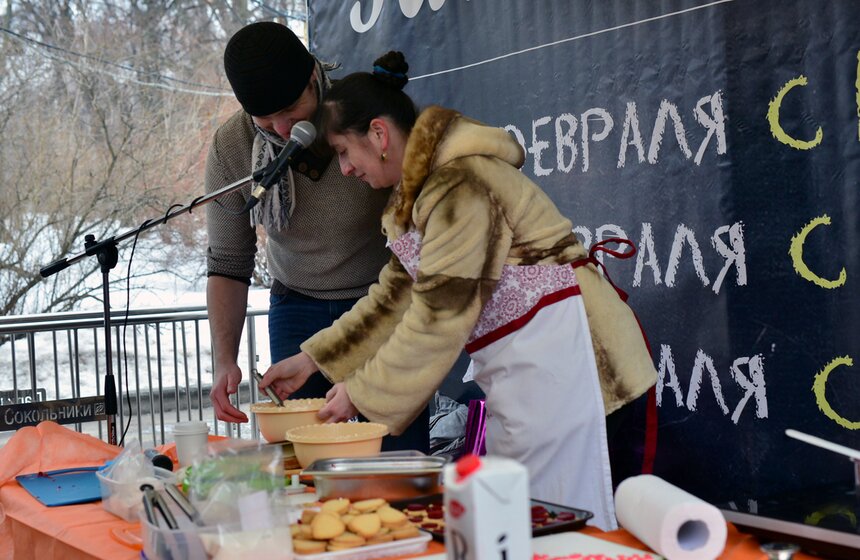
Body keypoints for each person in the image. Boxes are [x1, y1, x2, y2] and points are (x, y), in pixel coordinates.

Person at [259, 51, 657, 529]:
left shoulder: (461, 185)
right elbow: (393, 299)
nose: (345, 169)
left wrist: (361, 393)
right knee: (531, 521)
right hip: (534, 380)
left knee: (576, 526)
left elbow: (440, 316)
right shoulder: (419, 200)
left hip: (584, 375)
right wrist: (312, 360)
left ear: (379, 135)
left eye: (344, 151)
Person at [205, 23, 429, 452]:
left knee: (395, 446)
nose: (282, 129)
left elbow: (420, 250)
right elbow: (228, 263)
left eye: (292, 110)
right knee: (309, 453)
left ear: (314, 78)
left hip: (382, 297)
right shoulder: (231, 146)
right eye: (265, 118)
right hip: (296, 305)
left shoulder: (363, 113)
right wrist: (224, 361)